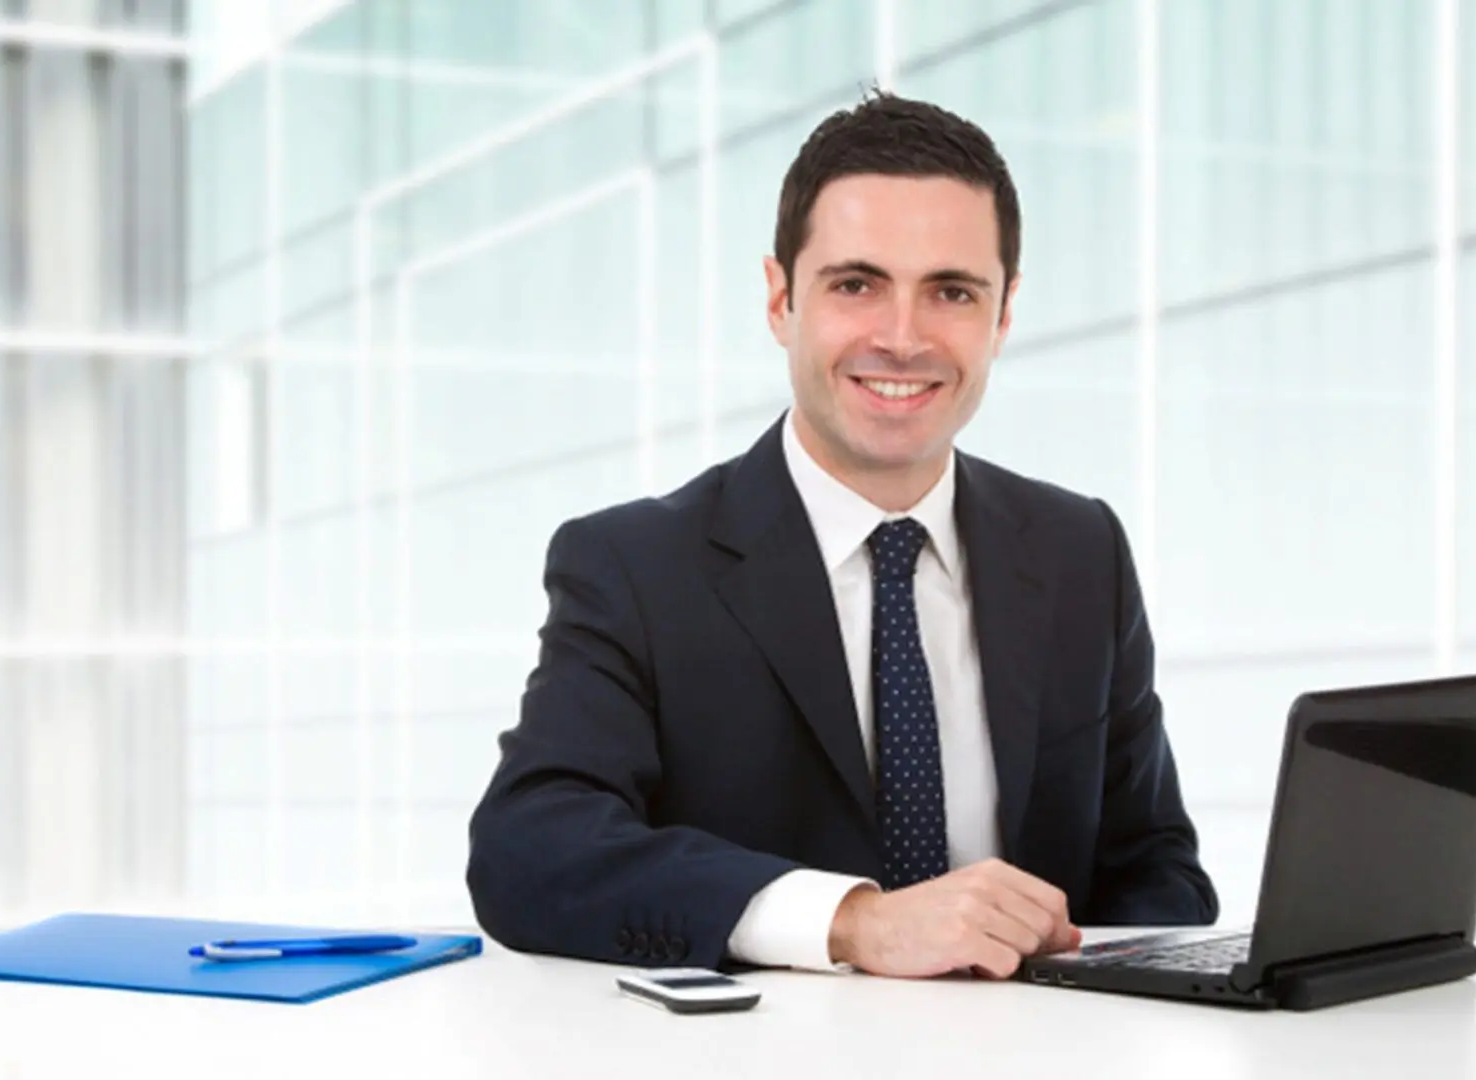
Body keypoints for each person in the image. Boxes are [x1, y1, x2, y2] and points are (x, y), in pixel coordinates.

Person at [466, 90, 1217, 980]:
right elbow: (530, 850)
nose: (902, 338)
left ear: (1003, 315)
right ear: (781, 300)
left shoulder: (1079, 549)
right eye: (856, 284)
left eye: (950, 291)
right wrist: (852, 923)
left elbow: (1155, 868)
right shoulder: (634, 567)